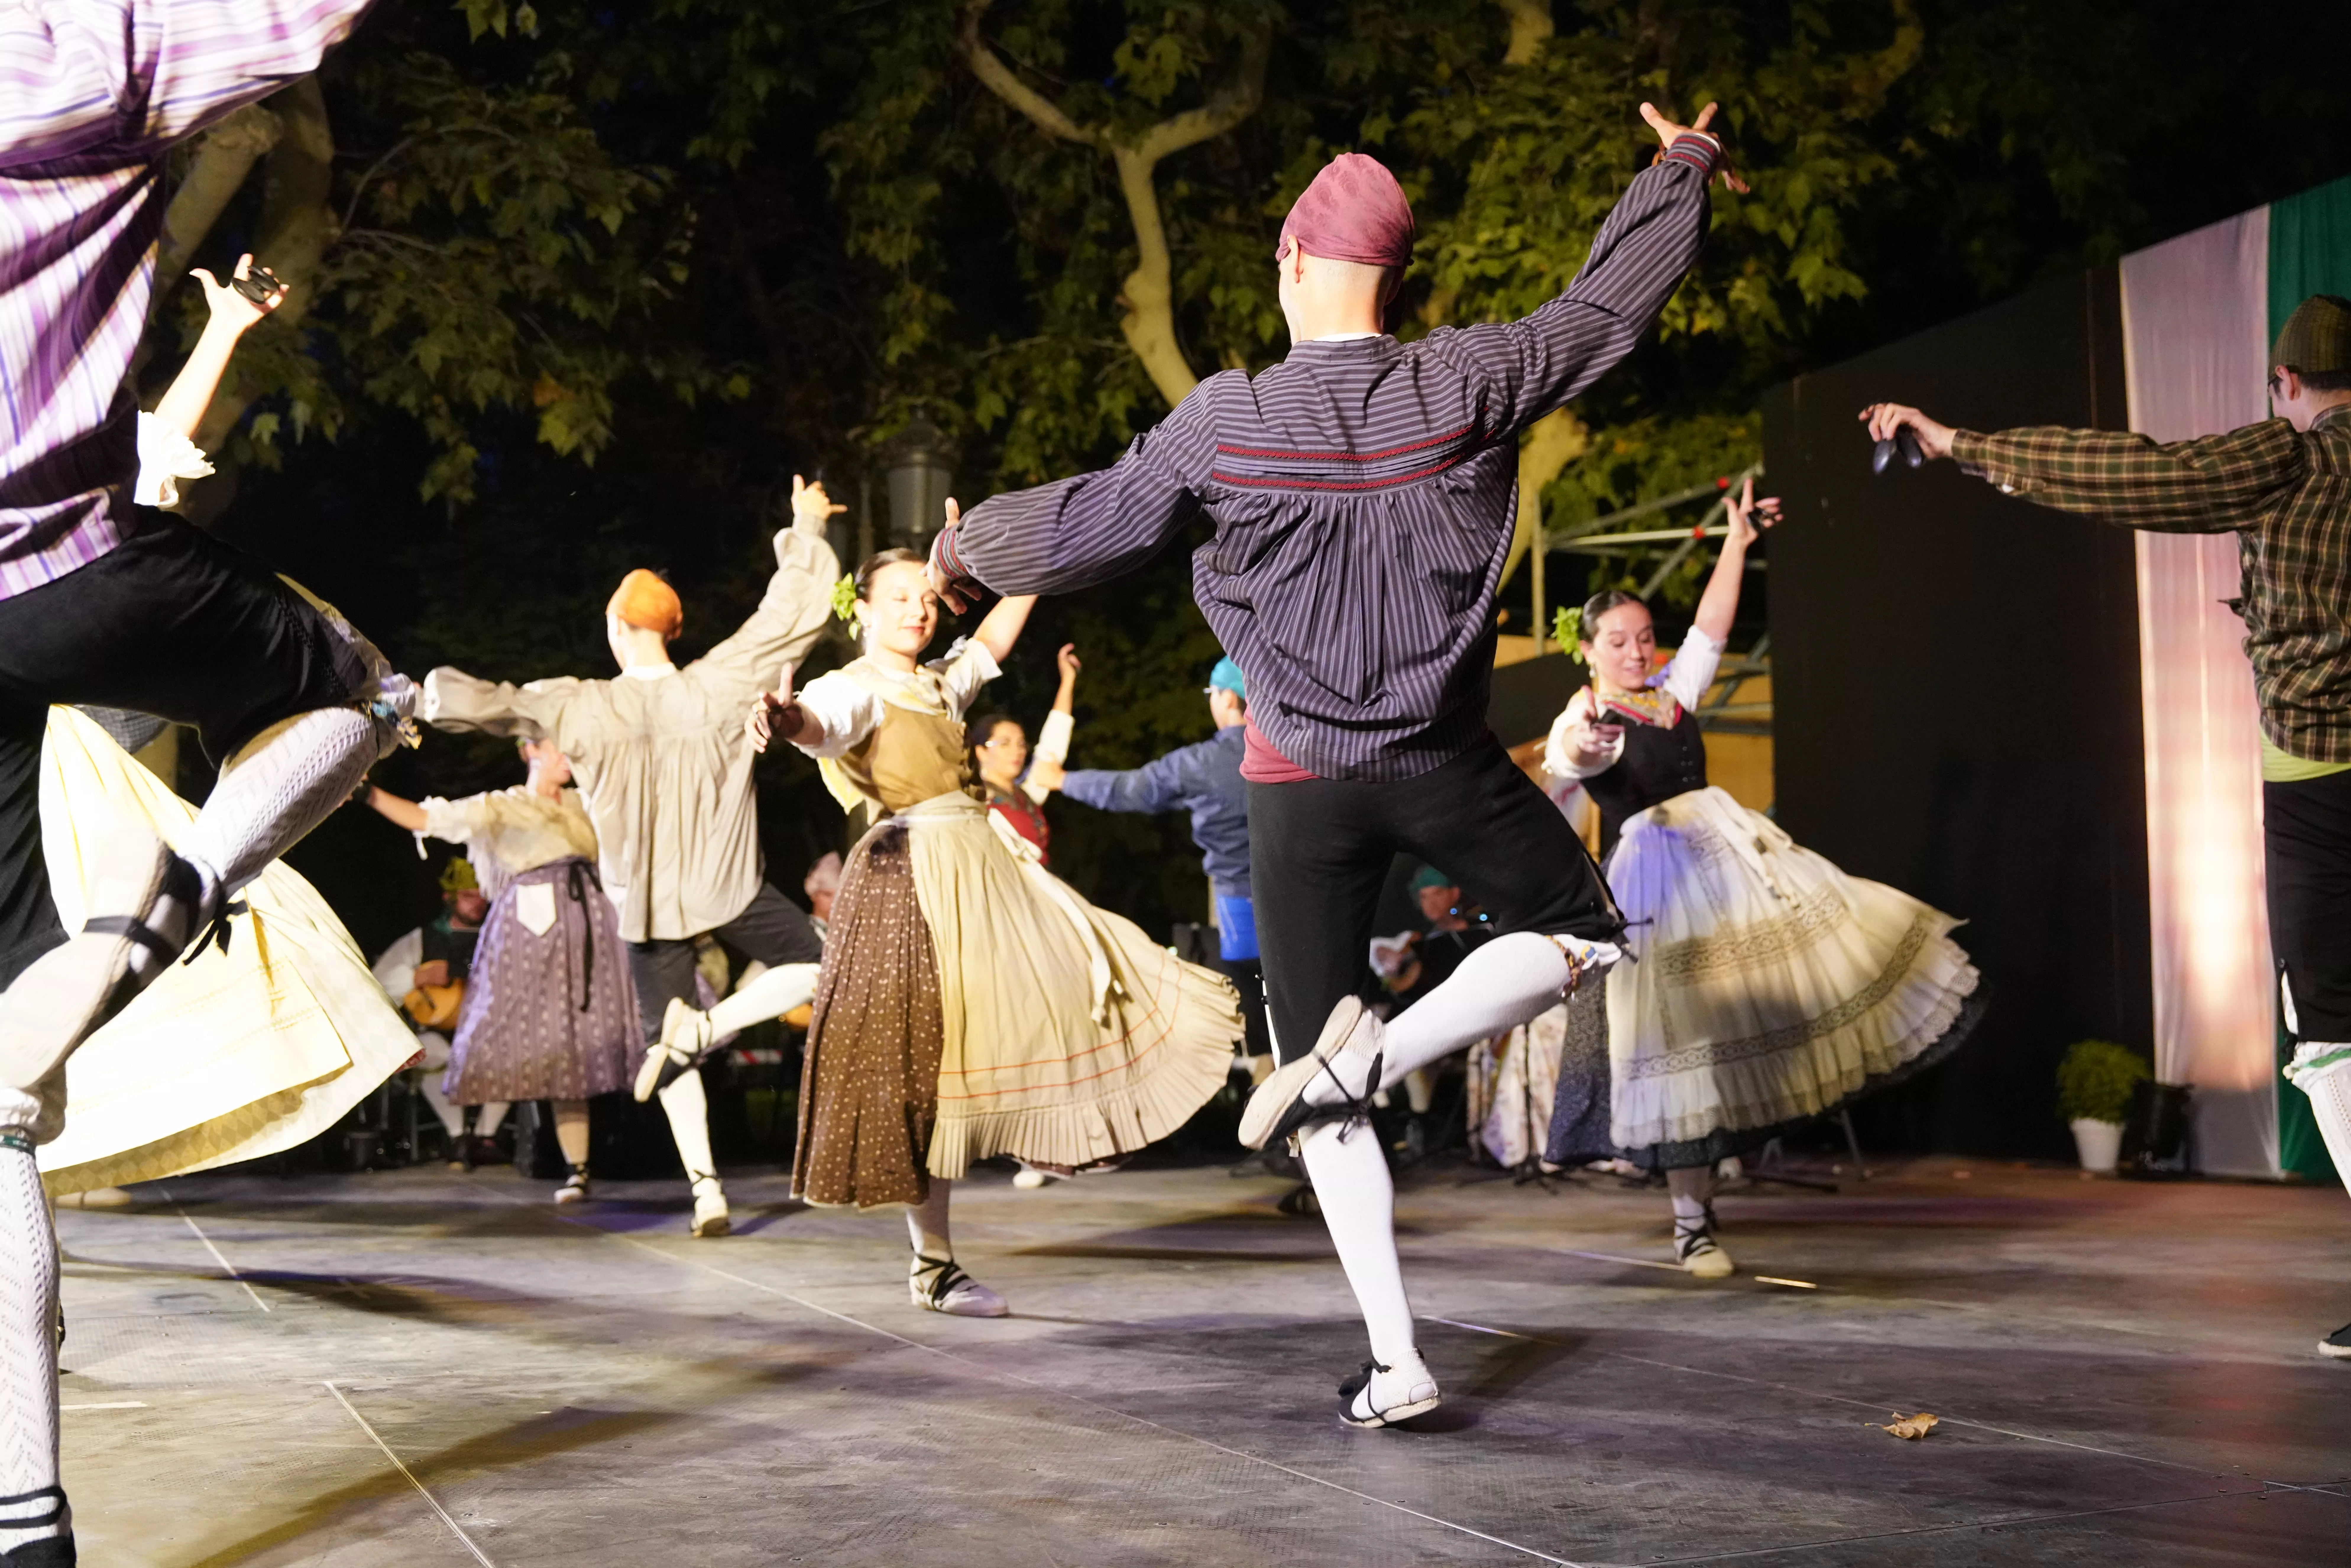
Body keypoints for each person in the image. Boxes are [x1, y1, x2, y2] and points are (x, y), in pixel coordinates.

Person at [926, 103, 1739, 1425]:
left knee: (1317, 1074)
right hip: (1438, 762)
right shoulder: (1468, 377)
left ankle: (1396, 1349)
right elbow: (1607, 312)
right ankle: (1371, 1074)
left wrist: (968, 555)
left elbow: (1089, 526)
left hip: (1291, 778)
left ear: (1296, 263)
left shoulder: (1225, 420)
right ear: (1391, 279)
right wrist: (1679, 173)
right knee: (1582, 936)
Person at [1, 7, 408, 1555]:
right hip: (63, 578)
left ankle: (22, 1516)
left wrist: (231, 325)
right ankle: (182, 898)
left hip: (69, 665)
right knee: (359, 688)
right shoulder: (106, 48)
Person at [1863, 292, 2351, 1359]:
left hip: (2318, 783)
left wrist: (1953, 441)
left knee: (2328, 1033)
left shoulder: (2286, 458)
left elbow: (2124, 472)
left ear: (2282, 384)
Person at [747, 550, 1240, 1316]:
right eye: (899, 597)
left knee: (1068, 969)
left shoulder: (941, 681)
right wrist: (786, 720)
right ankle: (935, 1266)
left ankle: (1061, 1132)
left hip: (980, 870)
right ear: (864, 613)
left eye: (925, 597)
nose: (917, 608)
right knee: (928, 1065)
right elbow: (819, 724)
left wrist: (1038, 555)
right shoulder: (852, 688)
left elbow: (997, 641)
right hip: (909, 878)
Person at [1541, 481, 1981, 1277]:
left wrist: (1738, 545)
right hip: (1656, 882)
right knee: (1682, 1048)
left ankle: (1710, 1190)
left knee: (1765, 1008)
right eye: (1619, 642)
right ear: (1588, 648)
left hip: (1728, 862)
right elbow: (1571, 759)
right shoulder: (1583, 713)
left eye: (1643, 638)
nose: (1637, 652)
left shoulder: (1670, 696)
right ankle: (1690, 1222)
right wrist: (1589, 744)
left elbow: (1710, 630)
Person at [420, 478, 840, 1238]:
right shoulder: (721, 680)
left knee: (667, 1039)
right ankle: (706, 1035)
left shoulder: (583, 702)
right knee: (826, 966)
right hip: (727, 882)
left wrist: (409, 699)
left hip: (642, 901)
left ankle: (708, 1186)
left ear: (617, 627)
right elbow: (791, 615)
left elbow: (491, 701)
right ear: (671, 630)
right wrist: (805, 521)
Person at [360, 738, 638, 1202]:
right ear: (530, 749)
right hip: (532, 935)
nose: (569, 757)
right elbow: (430, 820)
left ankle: (580, 1169)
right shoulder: (502, 806)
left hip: (593, 930)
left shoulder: (587, 802)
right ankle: (483, 1138)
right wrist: (368, 794)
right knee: (541, 1043)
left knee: (584, 1047)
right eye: (558, 748)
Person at [1027, 655, 1268, 1072]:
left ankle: (1274, 1106)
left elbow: (1134, 790)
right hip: (1306, 894)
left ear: (1229, 698)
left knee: (1256, 1019)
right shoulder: (1294, 747)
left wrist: (1061, 780)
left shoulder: (1201, 763)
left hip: (1239, 905)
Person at [1367, 864, 1495, 1161]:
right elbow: (1403, 988)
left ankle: (1422, 1128)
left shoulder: (1482, 934)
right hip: (1428, 1027)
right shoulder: (1418, 942)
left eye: (1435, 895)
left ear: (1453, 894)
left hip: (1472, 1025)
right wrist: (1395, 964)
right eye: (1422, 898)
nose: (1429, 904)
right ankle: (1405, 1128)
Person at [968, 643, 1079, 862]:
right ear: (981, 752)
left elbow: (1053, 745)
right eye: (1005, 744)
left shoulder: (1027, 794)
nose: (1017, 751)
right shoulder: (972, 803)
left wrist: (1068, 681)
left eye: (1021, 744)